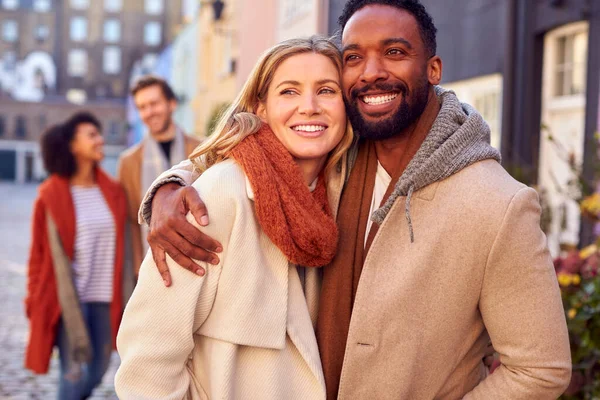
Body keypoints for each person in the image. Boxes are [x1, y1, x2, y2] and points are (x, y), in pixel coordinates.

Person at [140, 1, 572, 398]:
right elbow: (255, 155)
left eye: (395, 53)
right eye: (353, 58)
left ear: (434, 68)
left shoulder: (498, 205)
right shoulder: (339, 159)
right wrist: (170, 186)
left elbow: (540, 369)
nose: (371, 73)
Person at [114, 36, 353, 399]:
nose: (309, 106)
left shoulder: (343, 191)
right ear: (261, 109)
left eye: (326, 90)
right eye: (289, 92)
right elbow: (147, 359)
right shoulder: (217, 195)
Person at [25, 113, 128, 400]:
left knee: (99, 368)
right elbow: (38, 255)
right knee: (72, 374)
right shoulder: (50, 196)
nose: (100, 140)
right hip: (70, 300)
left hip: (106, 296)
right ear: (72, 146)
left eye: (99, 134)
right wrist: (33, 300)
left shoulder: (113, 191)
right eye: (91, 135)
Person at [117, 75, 201, 275]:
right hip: (150, 268)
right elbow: (131, 222)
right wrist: (139, 269)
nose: (148, 112)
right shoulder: (128, 162)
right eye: (142, 107)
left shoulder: (201, 150)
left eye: (154, 104)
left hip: (200, 260)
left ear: (171, 104)